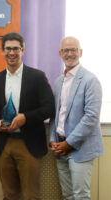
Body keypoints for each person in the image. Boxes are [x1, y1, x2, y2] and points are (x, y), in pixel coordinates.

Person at [0, 32, 55, 200]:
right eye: (8, 49)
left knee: (31, 195)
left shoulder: (37, 76)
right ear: (2, 51)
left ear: (23, 50)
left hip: (29, 144)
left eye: (15, 49)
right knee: (9, 194)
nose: (11, 52)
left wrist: (25, 117)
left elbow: (49, 108)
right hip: (5, 144)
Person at [49, 36, 103, 200]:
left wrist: (69, 143)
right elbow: (55, 115)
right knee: (67, 196)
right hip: (60, 147)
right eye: (66, 50)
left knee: (80, 196)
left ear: (80, 52)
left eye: (73, 50)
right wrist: (53, 140)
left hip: (81, 148)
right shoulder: (59, 81)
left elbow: (91, 117)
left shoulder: (90, 80)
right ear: (60, 53)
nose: (70, 53)